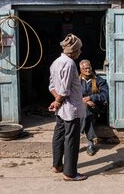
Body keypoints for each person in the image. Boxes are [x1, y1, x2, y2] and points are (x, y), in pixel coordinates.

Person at [48, 33, 88, 181]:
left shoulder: (56, 62)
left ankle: (57, 165)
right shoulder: (70, 63)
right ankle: (70, 173)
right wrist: (58, 101)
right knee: (71, 140)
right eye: (79, 49)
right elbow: (65, 90)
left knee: (58, 136)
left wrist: (56, 100)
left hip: (61, 108)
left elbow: (52, 86)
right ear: (73, 51)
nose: (80, 52)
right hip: (71, 109)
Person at [79, 60, 109, 156]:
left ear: (91, 68)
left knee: (87, 111)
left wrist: (92, 98)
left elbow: (105, 96)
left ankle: (77, 135)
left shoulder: (99, 80)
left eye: (89, 68)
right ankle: (90, 143)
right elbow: (72, 95)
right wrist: (86, 101)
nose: (87, 70)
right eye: (85, 68)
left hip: (96, 108)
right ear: (80, 69)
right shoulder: (76, 81)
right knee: (86, 110)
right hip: (81, 108)